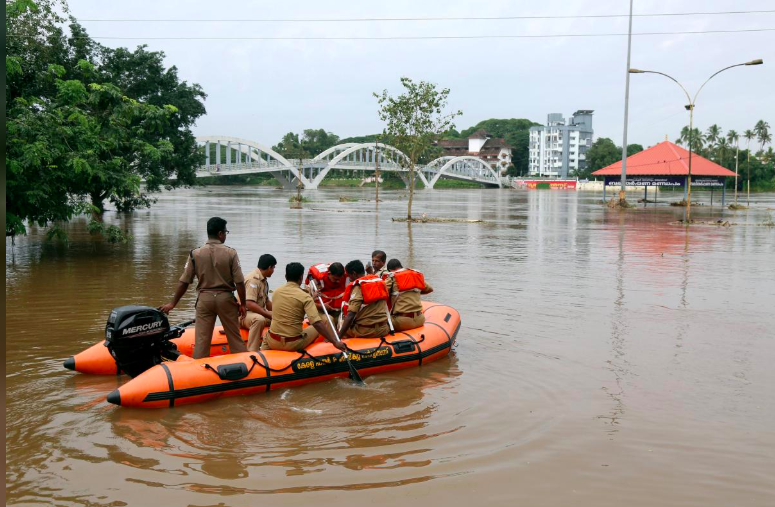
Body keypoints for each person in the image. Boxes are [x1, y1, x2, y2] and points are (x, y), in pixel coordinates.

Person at [159, 217, 248, 359]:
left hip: (204, 300)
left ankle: (198, 372)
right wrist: (243, 304)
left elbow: (184, 281)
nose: (225, 235)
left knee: (201, 342)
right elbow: (239, 282)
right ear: (220, 234)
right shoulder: (231, 253)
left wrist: (172, 304)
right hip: (226, 299)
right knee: (235, 339)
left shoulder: (195, 254)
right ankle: (245, 368)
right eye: (226, 232)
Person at [263, 262, 346, 352]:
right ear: (301, 277)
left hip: (272, 340)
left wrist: (311, 298)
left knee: (268, 334)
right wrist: (335, 342)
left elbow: (293, 302)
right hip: (293, 344)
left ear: (286, 277)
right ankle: (327, 347)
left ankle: (260, 352)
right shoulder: (305, 297)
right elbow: (317, 323)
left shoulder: (276, 292)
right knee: (318, 326)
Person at [339, 259, 391, 338]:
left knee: (341, 323)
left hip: (366, 331)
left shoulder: (359, 287)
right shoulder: (379, 282)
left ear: (354, 273)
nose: (349, 280)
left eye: (349, 276)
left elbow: (350, 315)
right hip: (383, 329)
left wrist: (337, 337)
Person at [240, 254, 276, 352]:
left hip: (256, 312)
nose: (273, 271)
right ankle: (252, 351)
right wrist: (268, 314)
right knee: (259, 319)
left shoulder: (263, 281)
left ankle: (273, 345)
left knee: (280, 317)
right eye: (273, 268)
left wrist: (278, 312)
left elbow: (267, 302)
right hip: (243, 315)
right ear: (269, 267)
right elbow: (249, 303)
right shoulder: (253, 280)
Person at [385, 259, 433, 331]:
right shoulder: (415, 275)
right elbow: (430, 289)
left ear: (390, 270)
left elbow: (379, 294)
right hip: (420, 319)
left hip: (402, 322)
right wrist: (415, 291)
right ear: (401, 266)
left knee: (379, 323)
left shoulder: (392, 277)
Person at [305, 262, 347, 328]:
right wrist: (321, 306)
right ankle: (331, 337)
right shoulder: (316, 281)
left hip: (339, 311)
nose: (338, 281)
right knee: (329, 319)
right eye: (335, 279)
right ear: (329, 274)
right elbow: (306, 302)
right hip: (321, 311)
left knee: (345, 321)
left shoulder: (346, 278)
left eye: (340, 279)